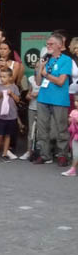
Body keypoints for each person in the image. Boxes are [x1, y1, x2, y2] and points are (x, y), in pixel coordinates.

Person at [34, 33, 72, 166]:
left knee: (61, 128)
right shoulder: (46, 59)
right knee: (42, 128)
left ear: (59, 45)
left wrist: (46, 74)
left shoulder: (66, 60)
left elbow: (61, 81)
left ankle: (62, 155)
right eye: (47, 44)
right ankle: (45, 155)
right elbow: (38, 82)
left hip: (59, 99)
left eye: (51, 44)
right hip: (43, 97)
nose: (48, 46)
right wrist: (40, 68)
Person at [0, 68, 21, 162]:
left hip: (11, 115)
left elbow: (18, 100)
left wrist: (12, 94)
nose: (2, 79)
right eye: (1, 77)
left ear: (10, 78)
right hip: (0, 115)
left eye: (4, 77)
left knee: (8, 135)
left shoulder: (14, 87)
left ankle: (5, 153)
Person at [60, 98, 78, 176]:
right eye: (76, 101)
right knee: (75, 154)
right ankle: (73, 169)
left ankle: (73, 169)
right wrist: (70, 120)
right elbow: (69, 121)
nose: (76, 103)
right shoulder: (73, 112)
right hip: (75, 136)